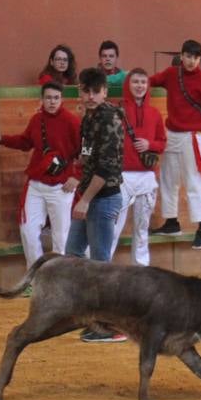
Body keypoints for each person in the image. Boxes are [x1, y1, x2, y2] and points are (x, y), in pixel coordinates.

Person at [149, 38, 201, 250]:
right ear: (182, 56)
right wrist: (131, 81)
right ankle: (171, 221)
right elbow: (150, 80)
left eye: (195, 58)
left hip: (193, 136)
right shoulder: (171, 74)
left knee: (194, 181)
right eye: (188, 56)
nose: (191, 61)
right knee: (168, 178)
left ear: (200, 59)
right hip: (173, 133)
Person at [0, 81, 82, 267]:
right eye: (48, 98)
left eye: (56, 98)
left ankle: (59, 279)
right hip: (37, 183)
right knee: (28, 230)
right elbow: (25, 142)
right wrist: (3, 139)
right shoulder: (36, 120)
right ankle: (36, 277)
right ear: (41, 99)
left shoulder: (73, 122)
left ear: (62, 99)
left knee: (61, 236)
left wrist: (77, 176)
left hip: (62, 186)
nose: (52, 102)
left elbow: (86, 152)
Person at [66, 68, 127, 338]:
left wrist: (85, 200)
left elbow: (106, 167)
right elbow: (89, 157)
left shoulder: (109, 119)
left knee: (101, 265)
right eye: (85, 90)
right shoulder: (89, 118)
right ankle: (92, 317)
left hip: (102, 198)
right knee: (73, 255)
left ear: (105, 91)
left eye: (95, 91)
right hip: (91, 195)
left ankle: (113, 326)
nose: (90, 96)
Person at [109, 68, 166, 265]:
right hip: (121, 176)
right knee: (114, 226)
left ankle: (141, 269)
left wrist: (150, 145)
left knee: (142, 227)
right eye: (135, 82)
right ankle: (101, 267)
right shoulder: (117, 111)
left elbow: (162, 142)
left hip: (146, 176)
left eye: (143, 82)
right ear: (128, 85)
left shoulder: (155, 113)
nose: (140, 86)